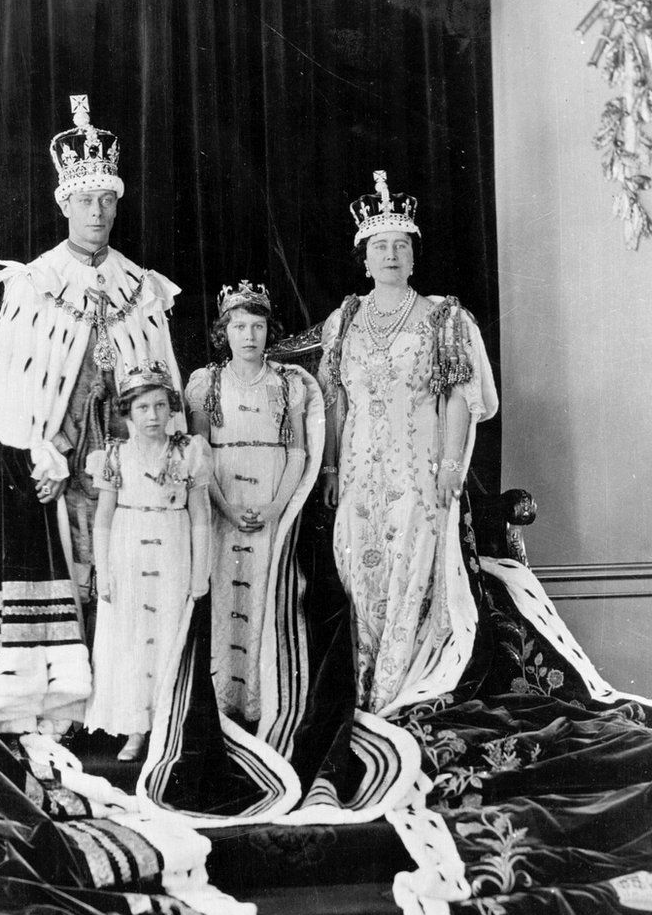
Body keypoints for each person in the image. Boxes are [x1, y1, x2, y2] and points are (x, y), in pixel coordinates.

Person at [0, 94, 184, 736]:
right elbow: (10, 392)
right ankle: (62, 703)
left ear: (117, 204)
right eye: (85, 202)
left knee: (123, 570)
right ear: (64, 204)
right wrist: (41, 455)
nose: (97, 213)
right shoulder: (32, 285)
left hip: (125, 454)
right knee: (69, 567)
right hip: (55, 459)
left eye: (107, 201)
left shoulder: (141, 286)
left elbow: (164, 385)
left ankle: (126, 704)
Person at [317, 170, 498, 715]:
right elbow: (333, 403)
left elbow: (461, 397)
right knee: (357, 561)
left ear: (413, 257)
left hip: (418, 468)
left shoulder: (444, 318)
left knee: (410, 564)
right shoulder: (344, 319)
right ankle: (364, 683)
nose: (390, 255)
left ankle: (397, 692)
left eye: (400, 246)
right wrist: (328, 470)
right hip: (356, 470)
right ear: (364, 257)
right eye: (379, 246)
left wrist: (450, 464)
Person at [186, 282, 307, 725]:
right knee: (224, 592)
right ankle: (223, 700)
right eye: (239, 326)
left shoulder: (287, 384)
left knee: (266, 594)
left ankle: (262, 701)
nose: (249, 336)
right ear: (225, 331)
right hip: (224, 501)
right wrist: (224, 506)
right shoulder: (207, 382)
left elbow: (297, 452)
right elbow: (199, 454)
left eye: (257, 326)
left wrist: (277, 505)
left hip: (272, 498)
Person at [84, 362, 212, 760]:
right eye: (142, 408)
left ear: (172, 408)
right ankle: (135, 728)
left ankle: (167, 723)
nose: (153, 416)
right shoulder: (114, 456)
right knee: (131, 639)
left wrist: (200, 574)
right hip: (128, 551)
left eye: (160, 406)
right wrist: (103, 572)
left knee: (168, 636)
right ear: (127, 412)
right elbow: (103, 521)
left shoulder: (188, 452)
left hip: (173, 551)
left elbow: (202, 517)